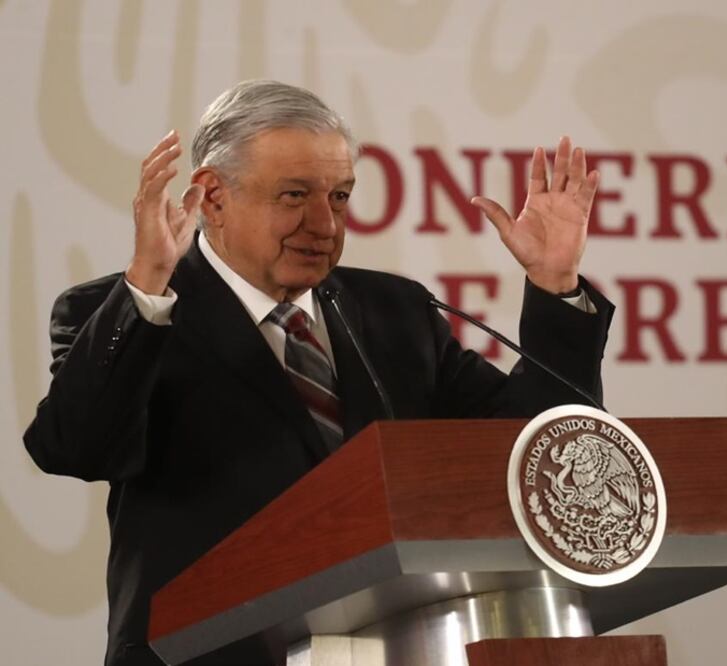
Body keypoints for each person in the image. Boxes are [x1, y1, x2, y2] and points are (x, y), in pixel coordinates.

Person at [23, 80, 613, 666]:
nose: (325, 226)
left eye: (339, 197)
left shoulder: (396, 312)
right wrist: (147, 289)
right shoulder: (129, 311)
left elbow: (541, 458)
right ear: (213, 197)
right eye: (294, 196)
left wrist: (554, 286)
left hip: (398, 648)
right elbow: (77, 448)